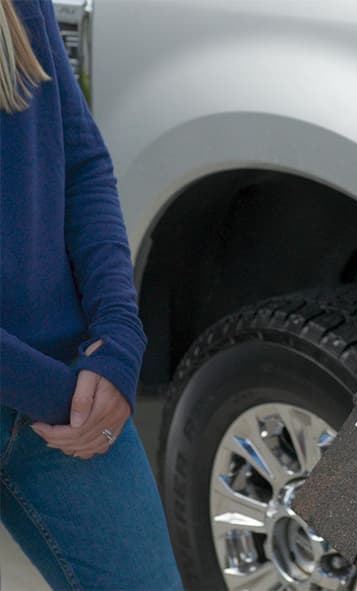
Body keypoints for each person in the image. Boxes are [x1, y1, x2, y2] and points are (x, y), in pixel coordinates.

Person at [0, 0, 182, 588]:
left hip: (63, 382)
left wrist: (118, 339)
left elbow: (78, 161)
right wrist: (56, 394)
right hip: (54, 392)